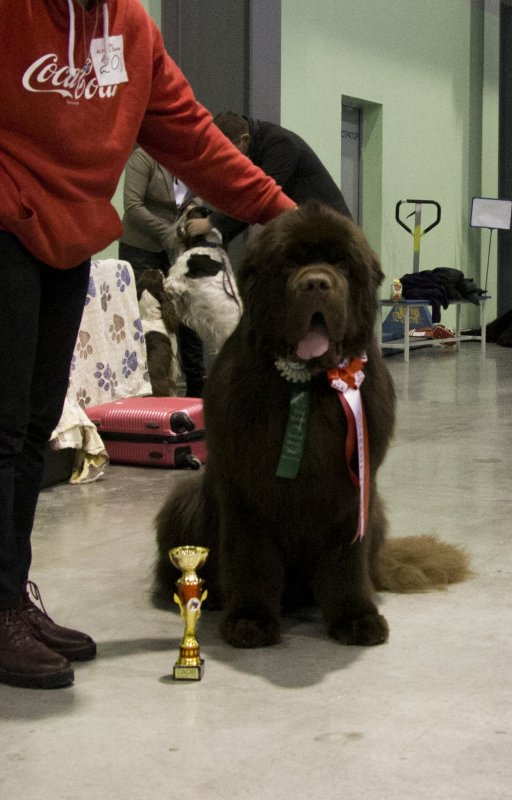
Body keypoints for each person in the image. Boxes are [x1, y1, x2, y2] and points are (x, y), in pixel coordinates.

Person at [0, 0, 296, 690]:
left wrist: (283, 211)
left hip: (69, 242)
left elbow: (190, 136)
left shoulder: (129, 26)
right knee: (3, 433)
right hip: (5, 228)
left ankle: (9, 595)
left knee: (33, 429)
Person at [118, 146, 208, 397]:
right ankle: (143, 389)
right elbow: (132, 205)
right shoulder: (143, 158)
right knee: (144, 319)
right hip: (140, 248)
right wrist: (167, 232)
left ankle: (197, 389)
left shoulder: (193, 156)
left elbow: (200, 193)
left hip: (179, 247)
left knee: (188, 312)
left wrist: (192, 211)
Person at [209, 111, 351, 243]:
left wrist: (212, 223)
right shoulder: (258, 146)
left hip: (332, 233)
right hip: (308, 229)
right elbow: (249, 204)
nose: (226, 160)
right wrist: (216, 235)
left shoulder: (281, 144)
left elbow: (259, 197)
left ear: (245, 139)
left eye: (228, 152)